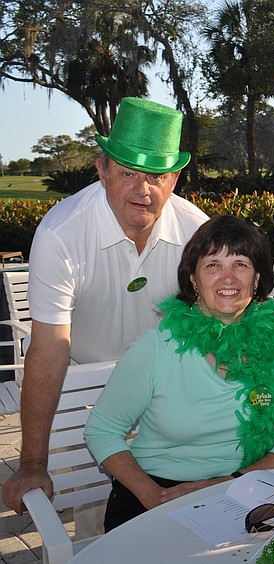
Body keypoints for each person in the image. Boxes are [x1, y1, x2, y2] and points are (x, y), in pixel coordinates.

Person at [3, 97, 209, 516]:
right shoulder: (62, 233)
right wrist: (32, 463)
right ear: (102, 170)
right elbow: (49, 345)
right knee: (93, 514)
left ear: (174, 178)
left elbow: (214, 325)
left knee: (178, 509)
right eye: (128, 172)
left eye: (156, 175)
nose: (142, 190)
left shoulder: (197, 231)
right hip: (80, 386)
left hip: (165, 387)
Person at [84, 215, 274, 530]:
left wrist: (229, 483)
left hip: (245, 487)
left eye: (240, 264)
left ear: (257, 279)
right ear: (193, 279)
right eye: (213, 265)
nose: (228, 278)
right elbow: (102, 430)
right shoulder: (157, 347)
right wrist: (153, 496)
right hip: (158, 490)